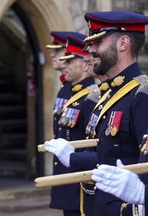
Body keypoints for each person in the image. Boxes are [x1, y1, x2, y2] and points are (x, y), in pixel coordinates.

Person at [46, 11, 148, 216]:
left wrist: (143, 194)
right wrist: (72, 157)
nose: (90, 50)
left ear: (123, 44)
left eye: (97, 42)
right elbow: (107, 156)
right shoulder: (111, 95)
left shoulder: (141, 94)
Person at [46, 33, 95, 216]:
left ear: (83, 63)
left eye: (69, 61)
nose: (64, 65)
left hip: (80, 174)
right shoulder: (69, 91)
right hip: (68, 171)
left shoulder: (91, 96)